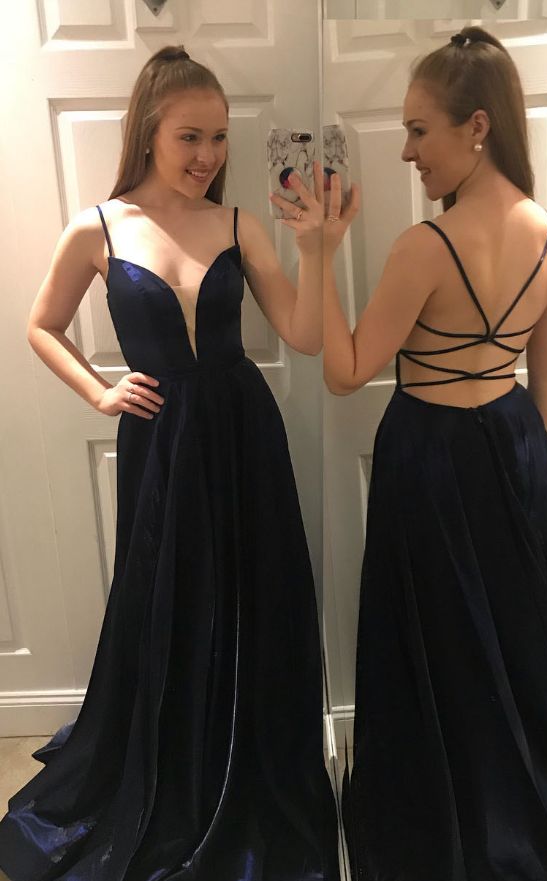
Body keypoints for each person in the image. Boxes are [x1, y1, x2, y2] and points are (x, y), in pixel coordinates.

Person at [0, 46, 339, 881]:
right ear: (148, 130)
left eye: (219, 138)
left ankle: (244, 755)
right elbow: (41, 324)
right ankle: (171, 759)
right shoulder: (99, 227)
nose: (207, 156)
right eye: (191, 136)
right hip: (159, 440)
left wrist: (319, 248)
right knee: (167, 594)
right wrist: (99, 391)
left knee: (251, 589)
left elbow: (304, 335)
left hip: (242, 433)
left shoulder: (239, 224)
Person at [320, 26, 547, 881]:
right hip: (518, 449)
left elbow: (346, 372)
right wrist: (517, 464)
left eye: (419, 130)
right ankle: (528, 794)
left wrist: (318, 254)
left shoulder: (426, 246)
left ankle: (454, 805)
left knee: (443, 645)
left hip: (428, 456)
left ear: (478, 126)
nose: (407, 151)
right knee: (521, 643)